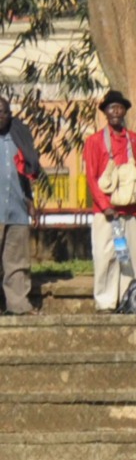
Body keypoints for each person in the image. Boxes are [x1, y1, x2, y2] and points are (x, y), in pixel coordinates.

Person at [83, 91, 136, 313]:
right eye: (111, 107)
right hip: (107, 213)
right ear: (104, 112)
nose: (116, 111)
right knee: (106, 257)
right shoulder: (94, 142)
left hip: (131, 211)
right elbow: (92, 177)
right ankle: (105, 302)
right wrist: (105, 206)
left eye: (119, 107)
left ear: (124, 111)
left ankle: (129, 298)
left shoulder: (134, 140)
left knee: (132, 257)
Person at [0, 95, 42, 316]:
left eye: (4, 112)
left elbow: (25, 173)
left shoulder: (19, 138)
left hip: (16, 209)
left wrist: (30, 201)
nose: (0, 116)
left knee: (17, 262)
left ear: (10, 114)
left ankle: (18, 305)